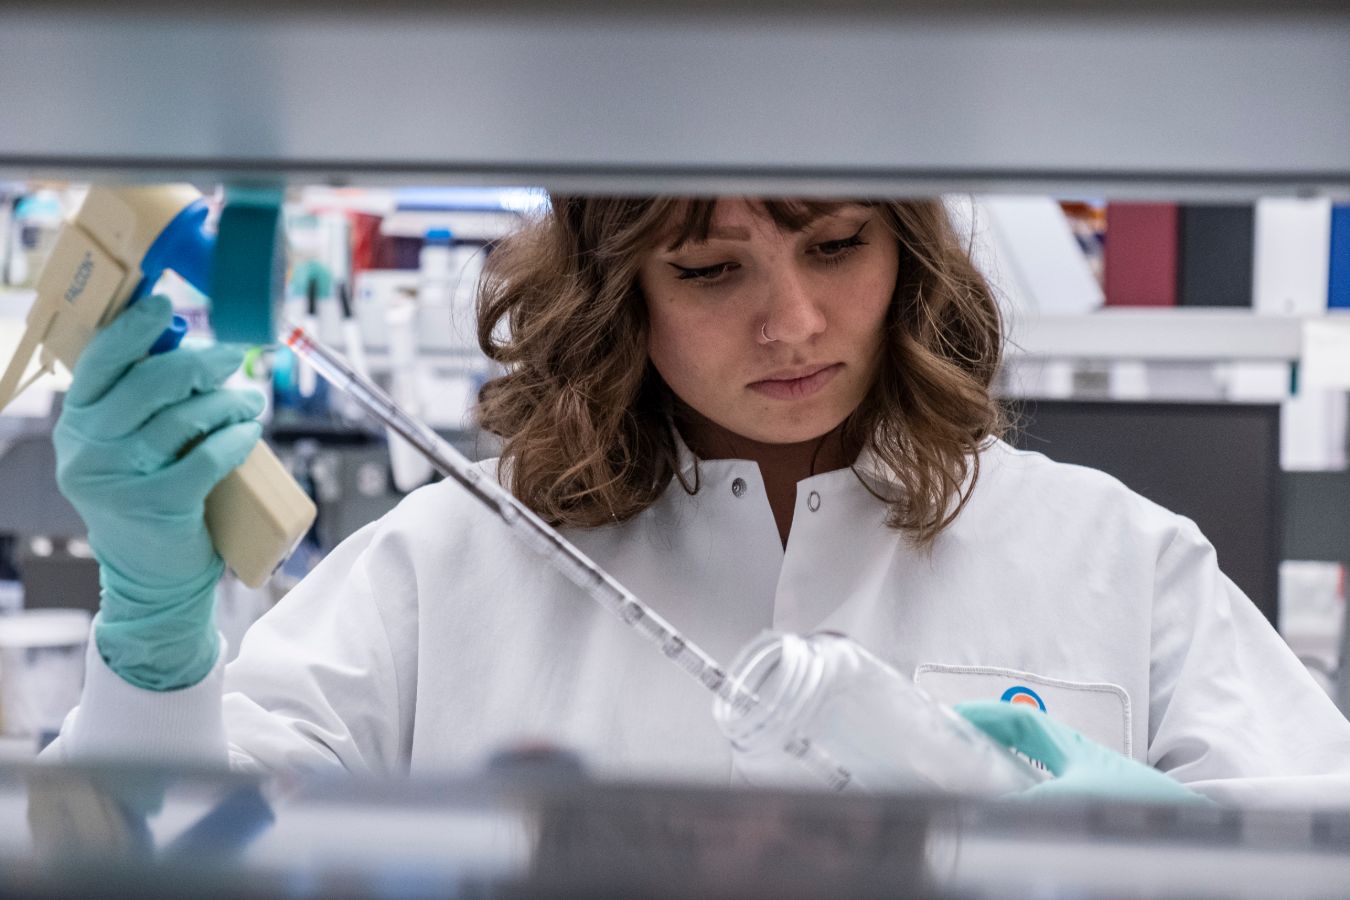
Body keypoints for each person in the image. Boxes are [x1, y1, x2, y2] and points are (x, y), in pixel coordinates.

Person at [47, 196, 1350, 806]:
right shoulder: (449, 564)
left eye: (836, 246)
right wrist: (154, 642)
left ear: (905, 250)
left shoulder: (1106, 554)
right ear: (618, 292)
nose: (792, 321)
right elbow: (147, 856)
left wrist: (1165, 853)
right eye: (710, 268)